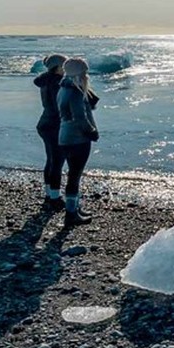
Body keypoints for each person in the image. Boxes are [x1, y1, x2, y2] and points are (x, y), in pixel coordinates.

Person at [57, 57, 99, 226]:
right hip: (77, 139)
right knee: (75, 176)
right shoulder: (75, 92)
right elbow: (79, 118)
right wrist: (92, 132)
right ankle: (71, 213)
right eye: (84, 72)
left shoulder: (63, 88)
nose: (86, 75)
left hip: (64, 135)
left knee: (73, 174)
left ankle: (74, 208)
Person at [33, 54, 69, 211]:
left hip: (44, 123)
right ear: (58, 67)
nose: (66, 69)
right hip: (55, 125)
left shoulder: (45, 81)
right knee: (57, 162)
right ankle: (55, 198)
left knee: (51, 160)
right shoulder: (58, 83)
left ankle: (49, 194)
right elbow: (59, 107)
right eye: (64, 66)